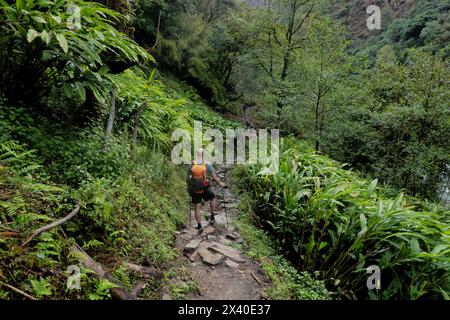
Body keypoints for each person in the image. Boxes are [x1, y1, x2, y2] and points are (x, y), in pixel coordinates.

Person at [187, 148, 227, 230]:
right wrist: (221, 184)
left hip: (195, 189)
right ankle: (212, 217)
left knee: (197, 207)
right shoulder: (207, 164)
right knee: (213, 197)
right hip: (205, 187)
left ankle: (199, 225)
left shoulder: (191, 165)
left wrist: (190, 188)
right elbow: (214, 176)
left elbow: (188, 178)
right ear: (203, 155)